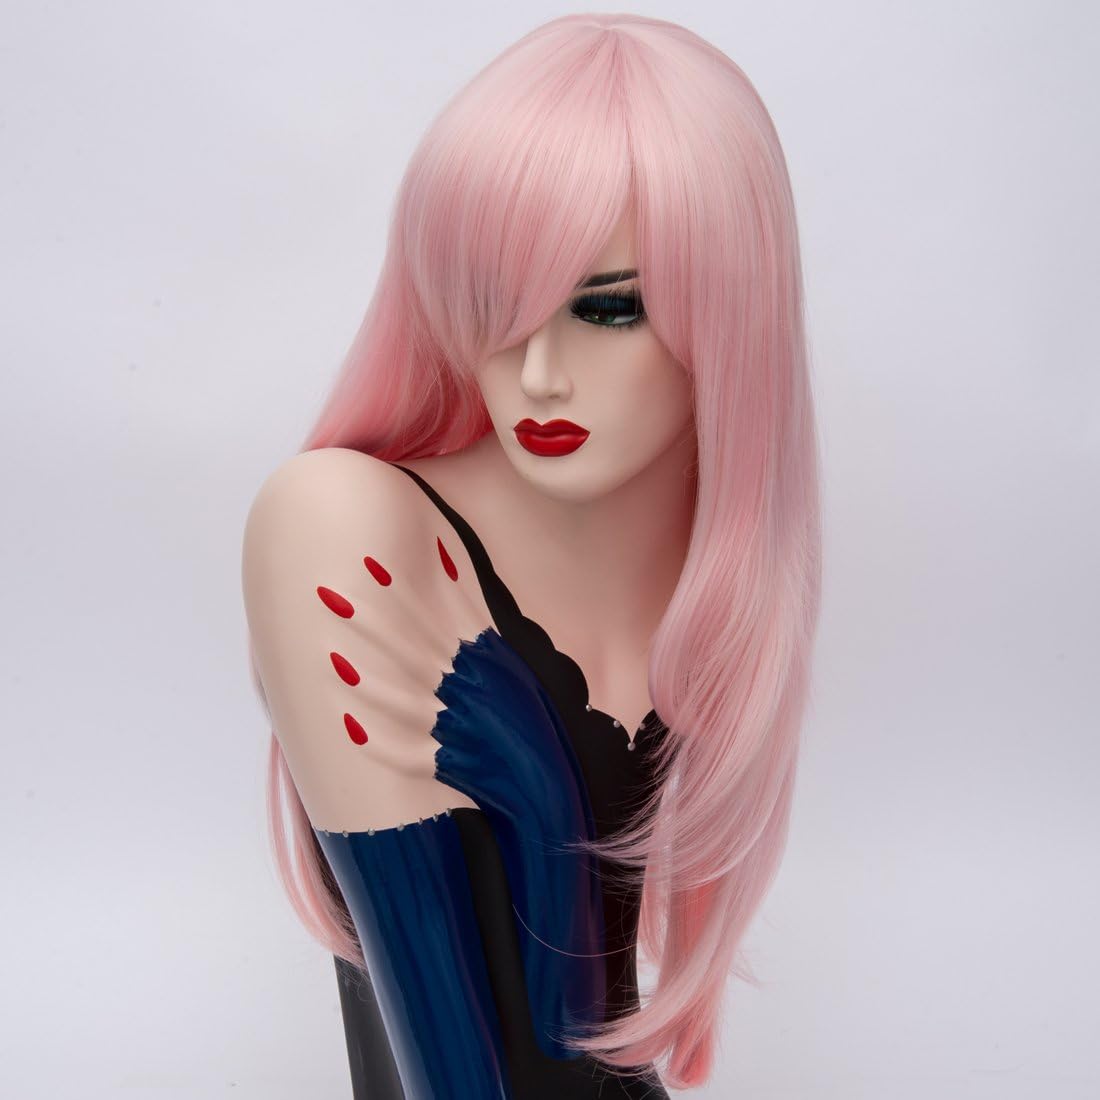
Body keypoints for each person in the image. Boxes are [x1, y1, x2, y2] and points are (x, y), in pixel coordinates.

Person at [241, 13, 822, 1099]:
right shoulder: (343, 527)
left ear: (731, 310)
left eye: (609, 307)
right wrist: (542, 800)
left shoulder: (705, 571)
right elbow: (459, 1058)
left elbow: (589, 1028)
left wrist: (538, 797)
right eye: (492, 306)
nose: (539, 371)